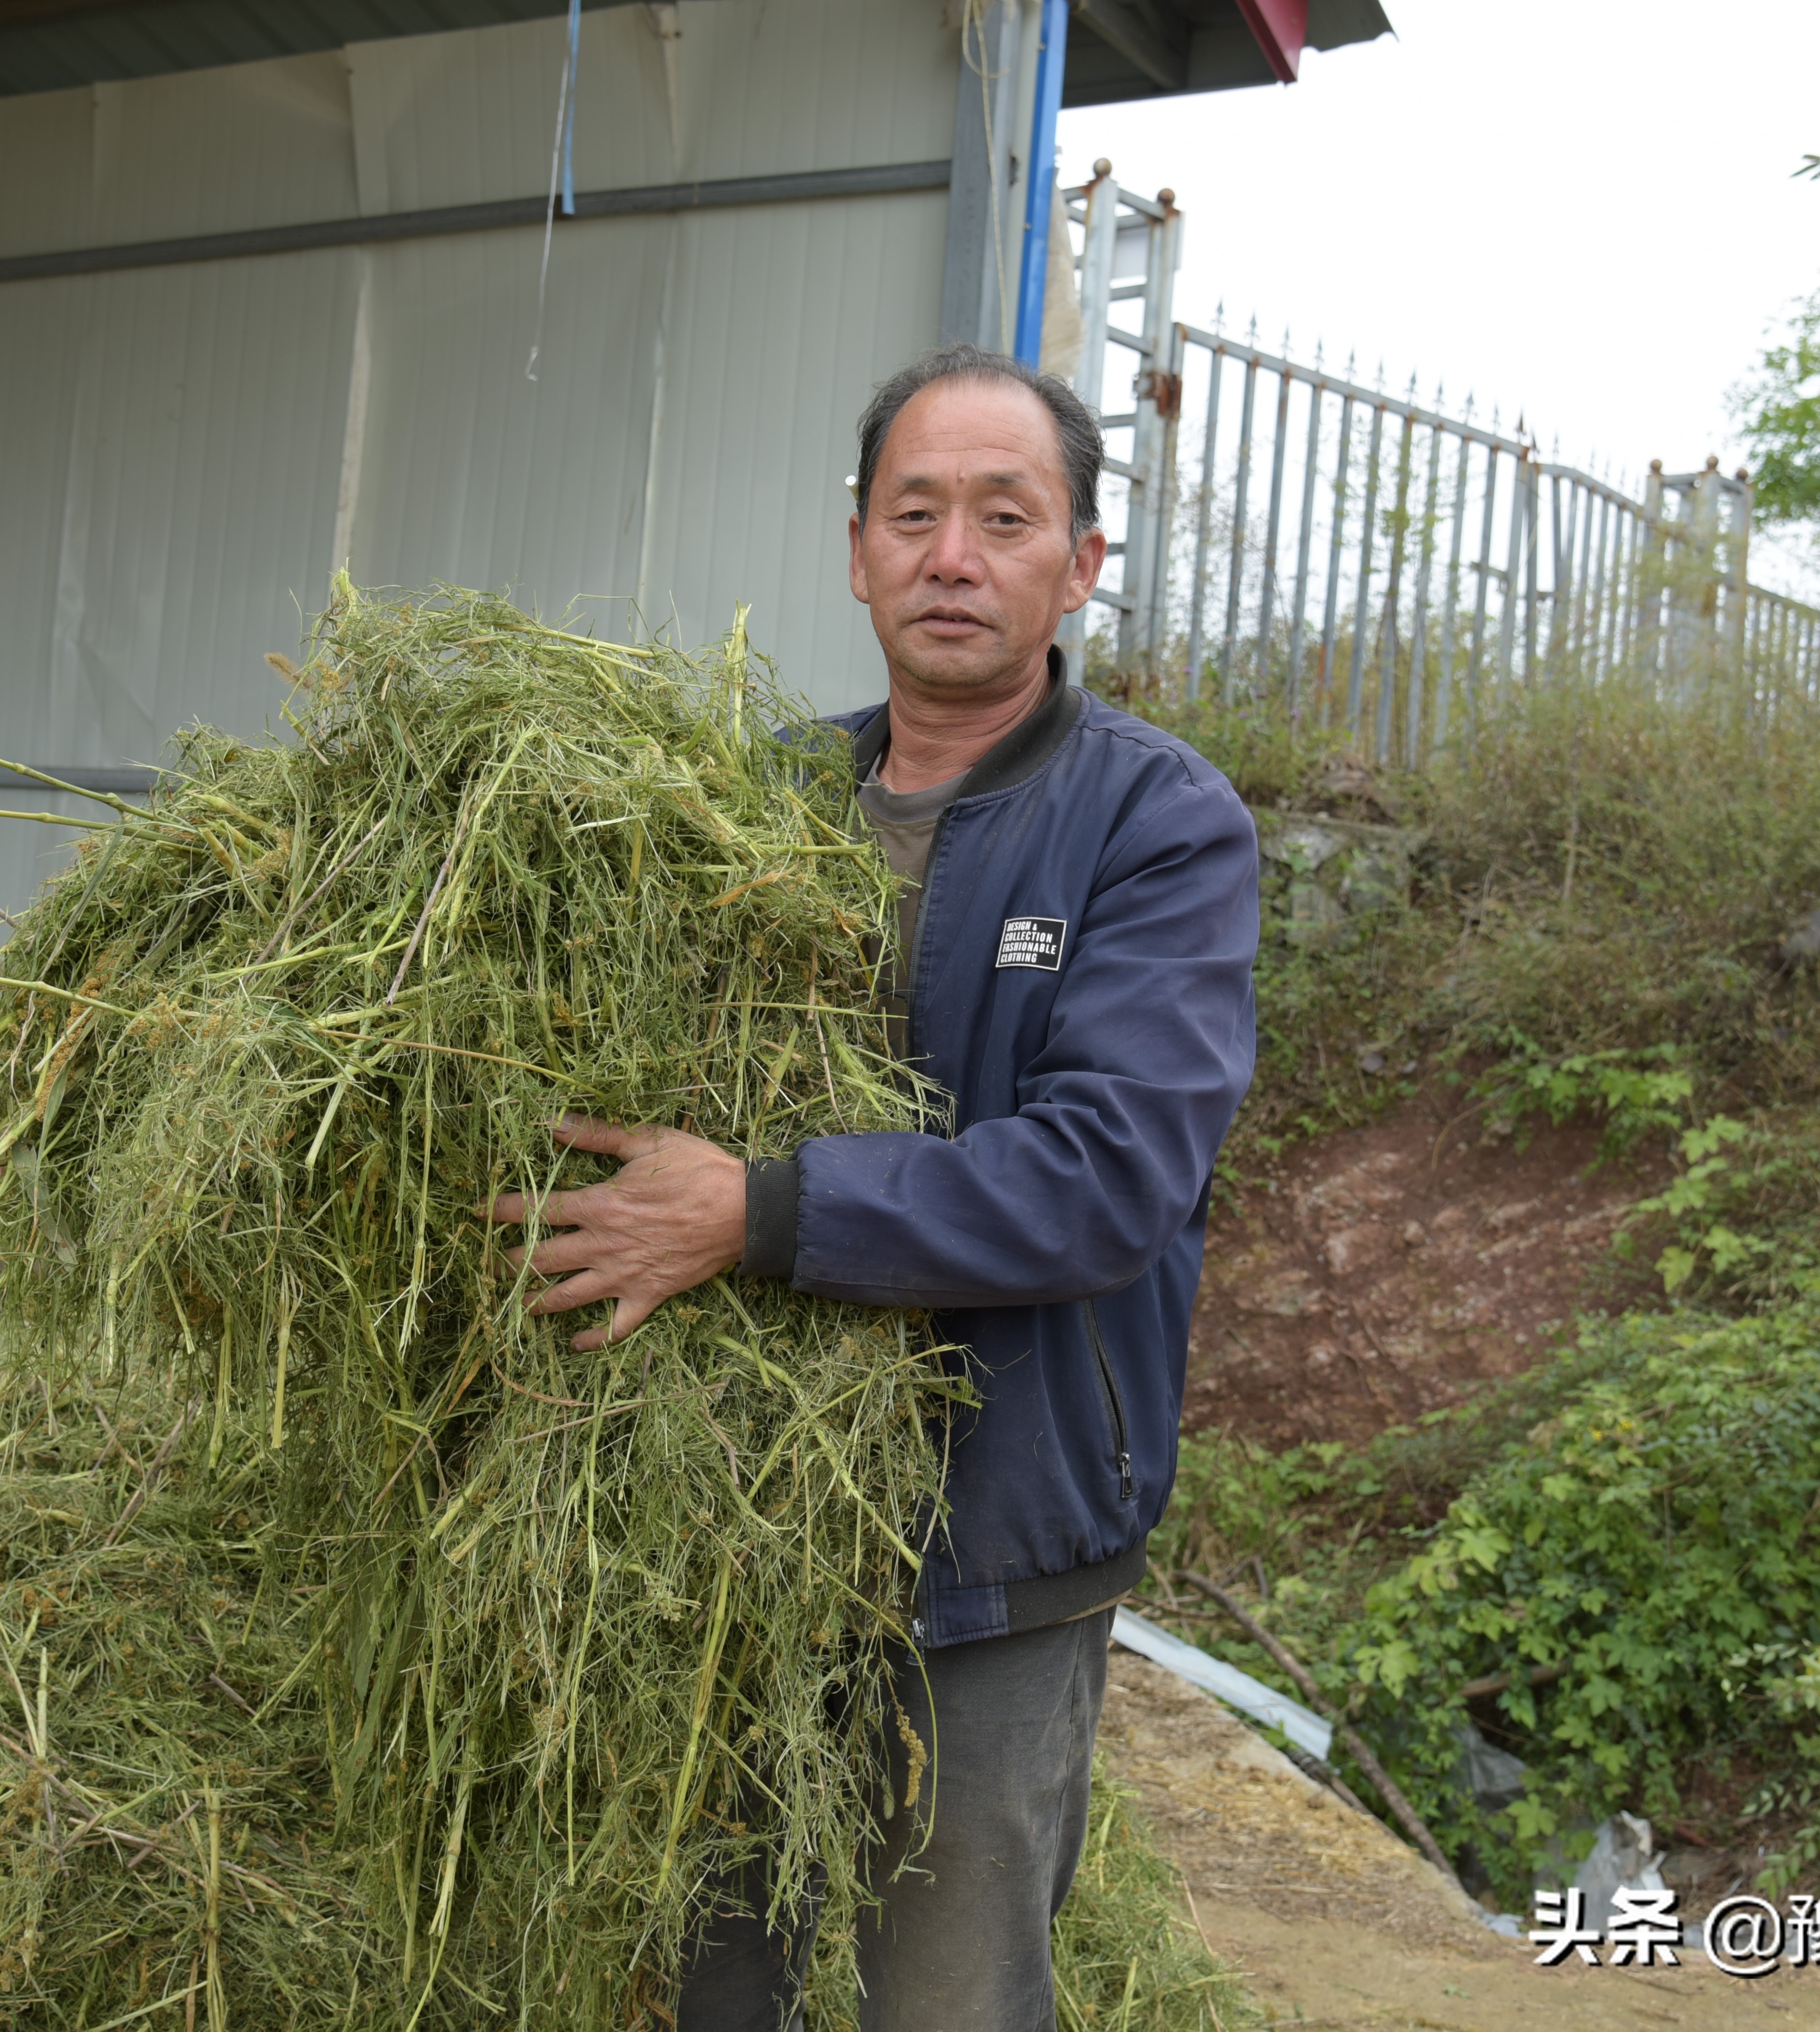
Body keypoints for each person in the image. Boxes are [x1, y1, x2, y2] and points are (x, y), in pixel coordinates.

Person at [483, 344, 1261, 2030]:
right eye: (915, 514)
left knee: (948, 1995)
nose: (954, 556)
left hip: (993, 1534)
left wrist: (756, 1213)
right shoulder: (749, 807)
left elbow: (1104, 1180)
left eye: (1005, 515)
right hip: (726, 1545)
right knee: (713, 1984)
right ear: (857, 552)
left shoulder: (1155, 823)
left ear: (1082, 565)